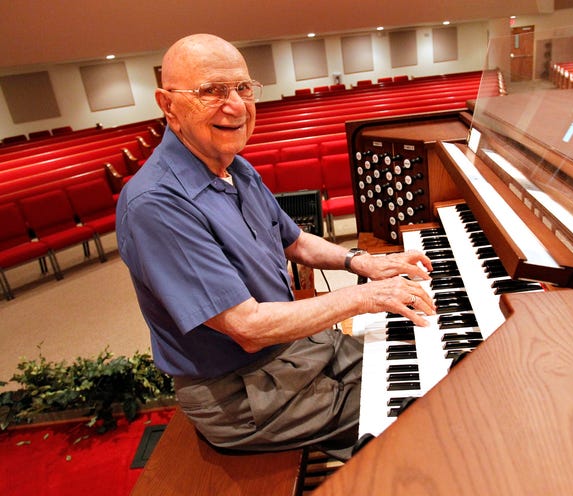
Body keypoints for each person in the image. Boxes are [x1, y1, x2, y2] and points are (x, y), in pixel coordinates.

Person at [116, 33, 435, 460]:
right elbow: (247, 328)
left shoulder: (236, 167)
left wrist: (364, 263)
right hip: (242, 393)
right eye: (211, 91)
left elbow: (296, 240)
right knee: (423, 411)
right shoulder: (155, 205)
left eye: (243, 88)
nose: (235, 106)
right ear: (168, 104)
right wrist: (364, 296)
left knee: (430, 357)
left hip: (298, 348)